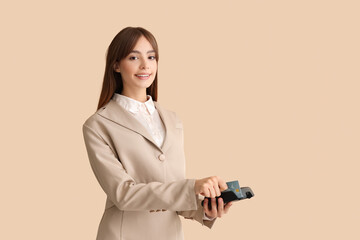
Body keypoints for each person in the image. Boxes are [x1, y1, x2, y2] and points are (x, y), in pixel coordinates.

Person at [82, 26, 232, 240]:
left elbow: (172, 189)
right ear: (116, 65)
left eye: (151, 57)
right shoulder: (98, 125)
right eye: (134, 57)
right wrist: (192, 187)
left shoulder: (173, 120)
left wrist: (205, 211)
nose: (145, 65)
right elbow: (123, 194)